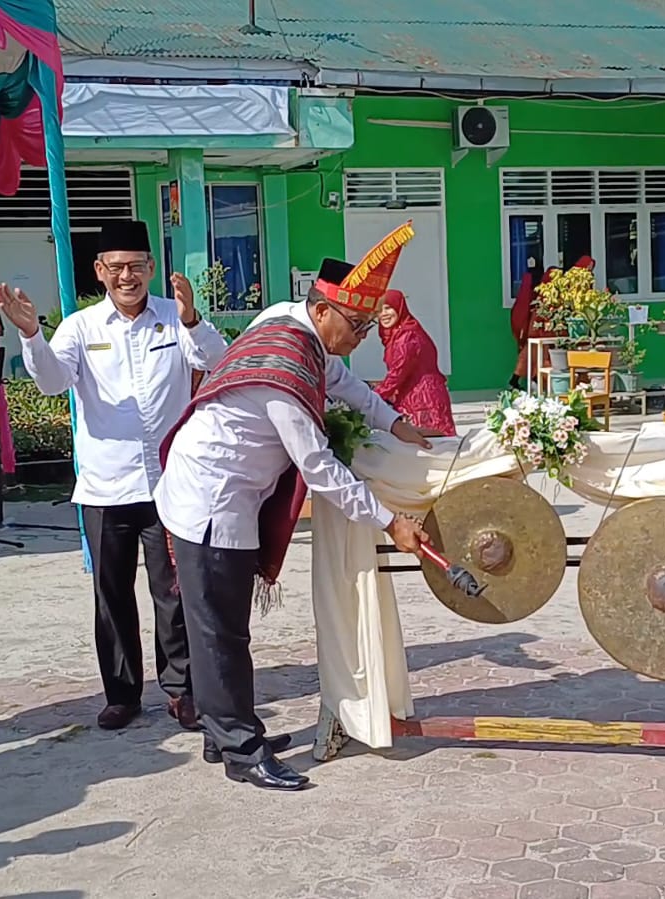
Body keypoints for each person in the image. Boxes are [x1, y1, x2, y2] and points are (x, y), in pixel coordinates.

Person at [155, 222, 438, 792]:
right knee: (220, 631)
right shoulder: (285, 373)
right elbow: (321, 472)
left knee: (222, 626)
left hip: (228, 491)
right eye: (357, 326)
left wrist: (397, 423)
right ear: (324, 310)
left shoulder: (291, 322)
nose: (361, 337)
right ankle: (239, 749)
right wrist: (391, 523)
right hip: (210, 499)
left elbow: (344, 383)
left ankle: (224, 729)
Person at [0, 220, 228, 732]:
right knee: (112, 593)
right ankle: (122, 693)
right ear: (100, 272)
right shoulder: (81, 327)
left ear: (151, 268)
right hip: (106, 486)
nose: (128, 276)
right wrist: (31, 333)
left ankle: (182, 690)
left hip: (169, 485)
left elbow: (218, 361)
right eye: (117, 267)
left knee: (174, 592)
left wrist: (192, 320)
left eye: (137, 266)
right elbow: (54, 383)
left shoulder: (174, 318)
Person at [374, 289, 457, 437]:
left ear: (399, 307)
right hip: (412, 396)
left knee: (430, 447)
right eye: (379, 310)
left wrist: (371, 398)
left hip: (424, 400)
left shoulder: (407, 336)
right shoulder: (398, 334)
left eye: (388, 308)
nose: (383, 314)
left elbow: (397, 374)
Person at [510, 265, 561, 389]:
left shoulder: (538, 290)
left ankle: (521, 380)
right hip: (540, 330)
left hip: (533, 330)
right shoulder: (548, 292)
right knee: (540, 357)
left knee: (529, 357)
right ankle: (532, 380)